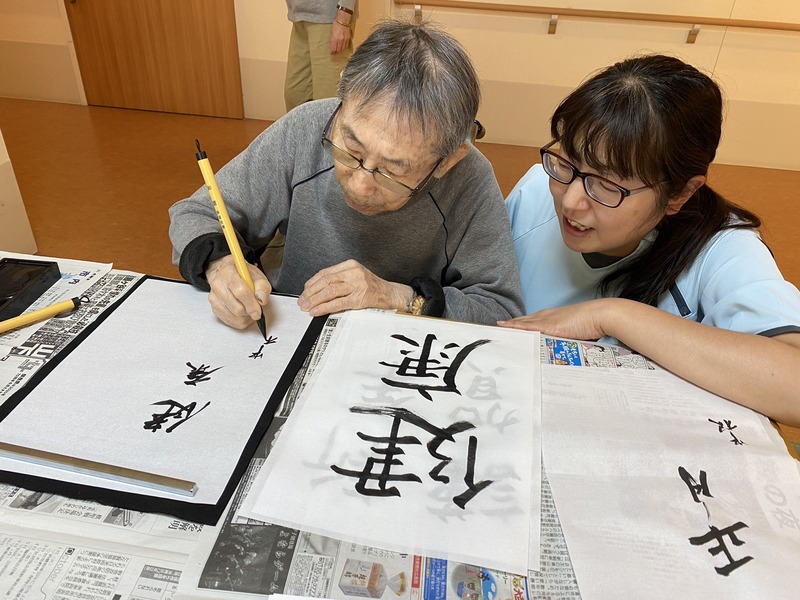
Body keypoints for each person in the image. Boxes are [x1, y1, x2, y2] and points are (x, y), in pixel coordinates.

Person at [500, 54, 800, 426]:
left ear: (681, 194)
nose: (571, 201)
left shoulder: (722, 249)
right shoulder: (536, 189)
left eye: (607, 185)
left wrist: (614, 315)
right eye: (568, 163)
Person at [169, 20, 524, 329]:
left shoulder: (470, 179)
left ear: (448, 160)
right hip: (289, 328)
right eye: (350, 149)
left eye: (393, 170)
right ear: (342, 98)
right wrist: (220, 265)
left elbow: (499, 310)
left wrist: (398, 296)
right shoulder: (306, 128)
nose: (359, 185)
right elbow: (195, 212)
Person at [284, 1, 357, 112]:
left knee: (327, 103)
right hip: (299, 16)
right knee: (295, 97)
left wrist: (343, 18)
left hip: (329, 16)